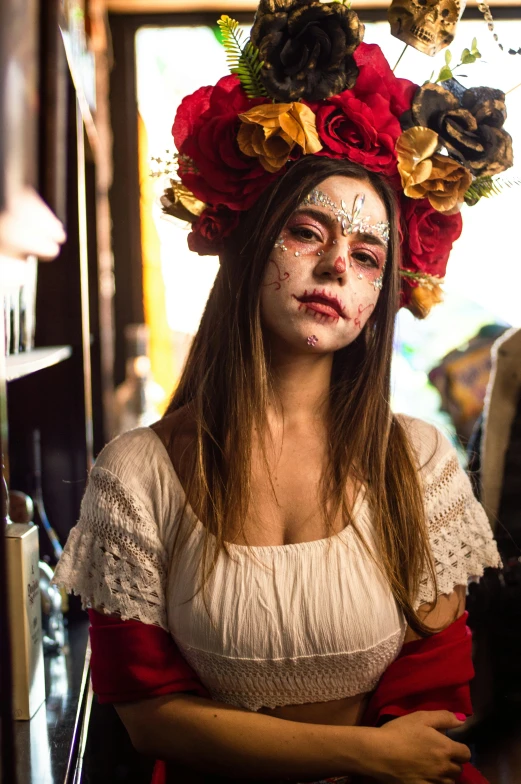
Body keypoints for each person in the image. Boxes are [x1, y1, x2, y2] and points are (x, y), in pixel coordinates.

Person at [52, 2, 513, 781]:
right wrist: (361, 752)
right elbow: (148, 716)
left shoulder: (416, 463)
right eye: (308, 232)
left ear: (383, 293)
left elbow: (430, 707)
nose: (337, 265)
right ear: (250, 243)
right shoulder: (137, 473)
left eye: (368, 255)